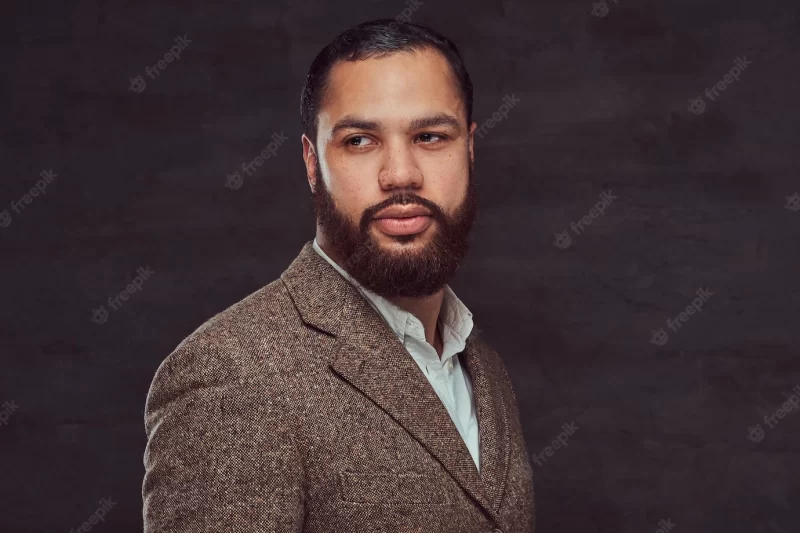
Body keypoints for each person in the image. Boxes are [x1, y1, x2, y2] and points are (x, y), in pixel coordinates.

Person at [142, 18, 535, 533]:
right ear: (311, 162)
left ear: (469, 149)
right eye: (359, 141)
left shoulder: (479, 362)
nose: (401, 173)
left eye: (430, 136)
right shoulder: (230, 376)